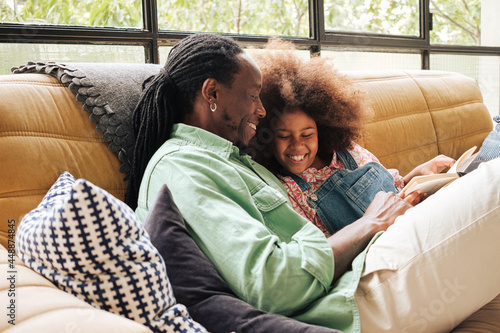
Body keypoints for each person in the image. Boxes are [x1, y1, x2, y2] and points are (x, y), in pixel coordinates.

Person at [125, 32, 500, 333]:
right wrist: (369, 224)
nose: (260, 110)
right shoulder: (184, 167)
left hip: (363, 272)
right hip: (351, 299)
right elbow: (274, 283)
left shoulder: (226, 161)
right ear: (212, 93)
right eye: (253, 96)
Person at [249, 38, 455, 236]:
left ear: (323, 128)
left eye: (307, 134)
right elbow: (325, 249)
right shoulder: (287, 189)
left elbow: (393, 189)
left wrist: (419, 175)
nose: (297, 144)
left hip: (414, 221)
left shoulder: (348, 151)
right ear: (266, 138)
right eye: (284, 136)